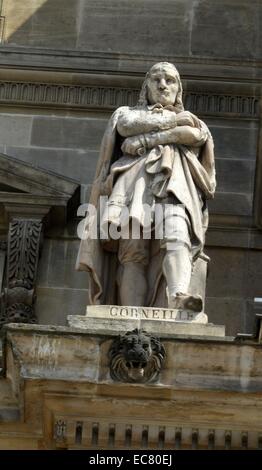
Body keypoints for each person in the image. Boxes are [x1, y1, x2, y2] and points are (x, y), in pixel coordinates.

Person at [76, 62, 216, 311]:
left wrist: (148, 139)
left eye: (170, 80)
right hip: (132, 186)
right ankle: (130, 313)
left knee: (177, 236)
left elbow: (196, 135)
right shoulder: (127, 112)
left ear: (178, 89)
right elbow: (126, 126)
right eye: (157, 79)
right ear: (146, 87)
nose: (163, 85)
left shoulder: (191, 121)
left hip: (175, 186)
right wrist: (172, 123)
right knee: (133, 252)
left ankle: (178, 295)